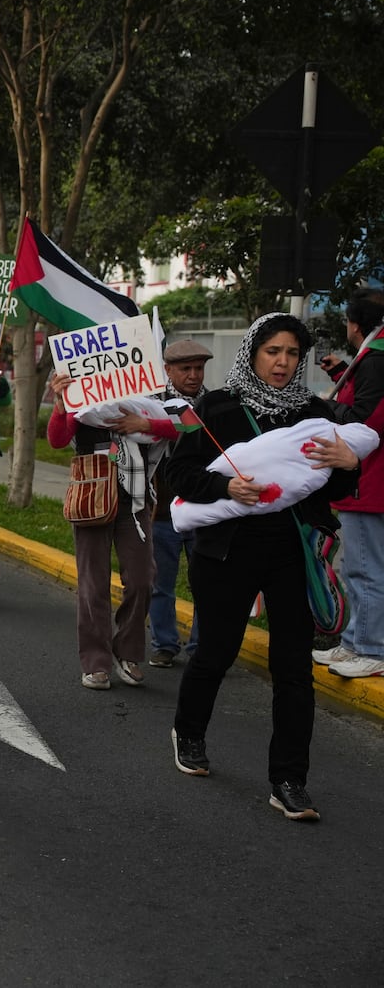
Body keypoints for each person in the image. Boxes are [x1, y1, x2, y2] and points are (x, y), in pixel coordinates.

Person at [165, 313, 359, 821]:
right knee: (216, 650)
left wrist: (347, 466)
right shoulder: (215, 406)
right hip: (227, 548)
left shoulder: (317, 414)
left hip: (293, 551)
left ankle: (290, 779)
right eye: (273, 351)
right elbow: (178, 474)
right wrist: (225, 487)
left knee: (293, 667)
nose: (282, 362)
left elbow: (333, 489)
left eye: (292, 354)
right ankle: (189, 731)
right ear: (253, 352)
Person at [48, 369, 173, 691]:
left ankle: (127, 653)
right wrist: (61, 404)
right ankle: (96, 662)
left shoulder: (148, 397)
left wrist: (145, 425)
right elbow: (58, 439)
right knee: (93, 584)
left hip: (134, 504)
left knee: (143, 579)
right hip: (92, 500)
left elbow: (183, 426)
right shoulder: (82, 397)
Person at [315, 292, 384, 679]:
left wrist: (324, 406)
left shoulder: (375, 362)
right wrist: (341, 374)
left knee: (364, 570)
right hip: (368, 481)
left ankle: (371, 647)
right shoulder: (371, 361)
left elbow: (364, 420)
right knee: (363, 568)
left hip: (369, 481)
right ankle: (356, 641)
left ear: (354, 326)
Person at [148, 338, 213, 667]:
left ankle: (202, 647)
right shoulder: (150, 406)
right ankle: (164, 644)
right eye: (185, 368)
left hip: (204, 509)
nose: (193, 375)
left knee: (207, 583)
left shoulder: (214, 405)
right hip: (163, 511)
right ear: (167, 370)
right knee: (161, 583)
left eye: (199, 368)